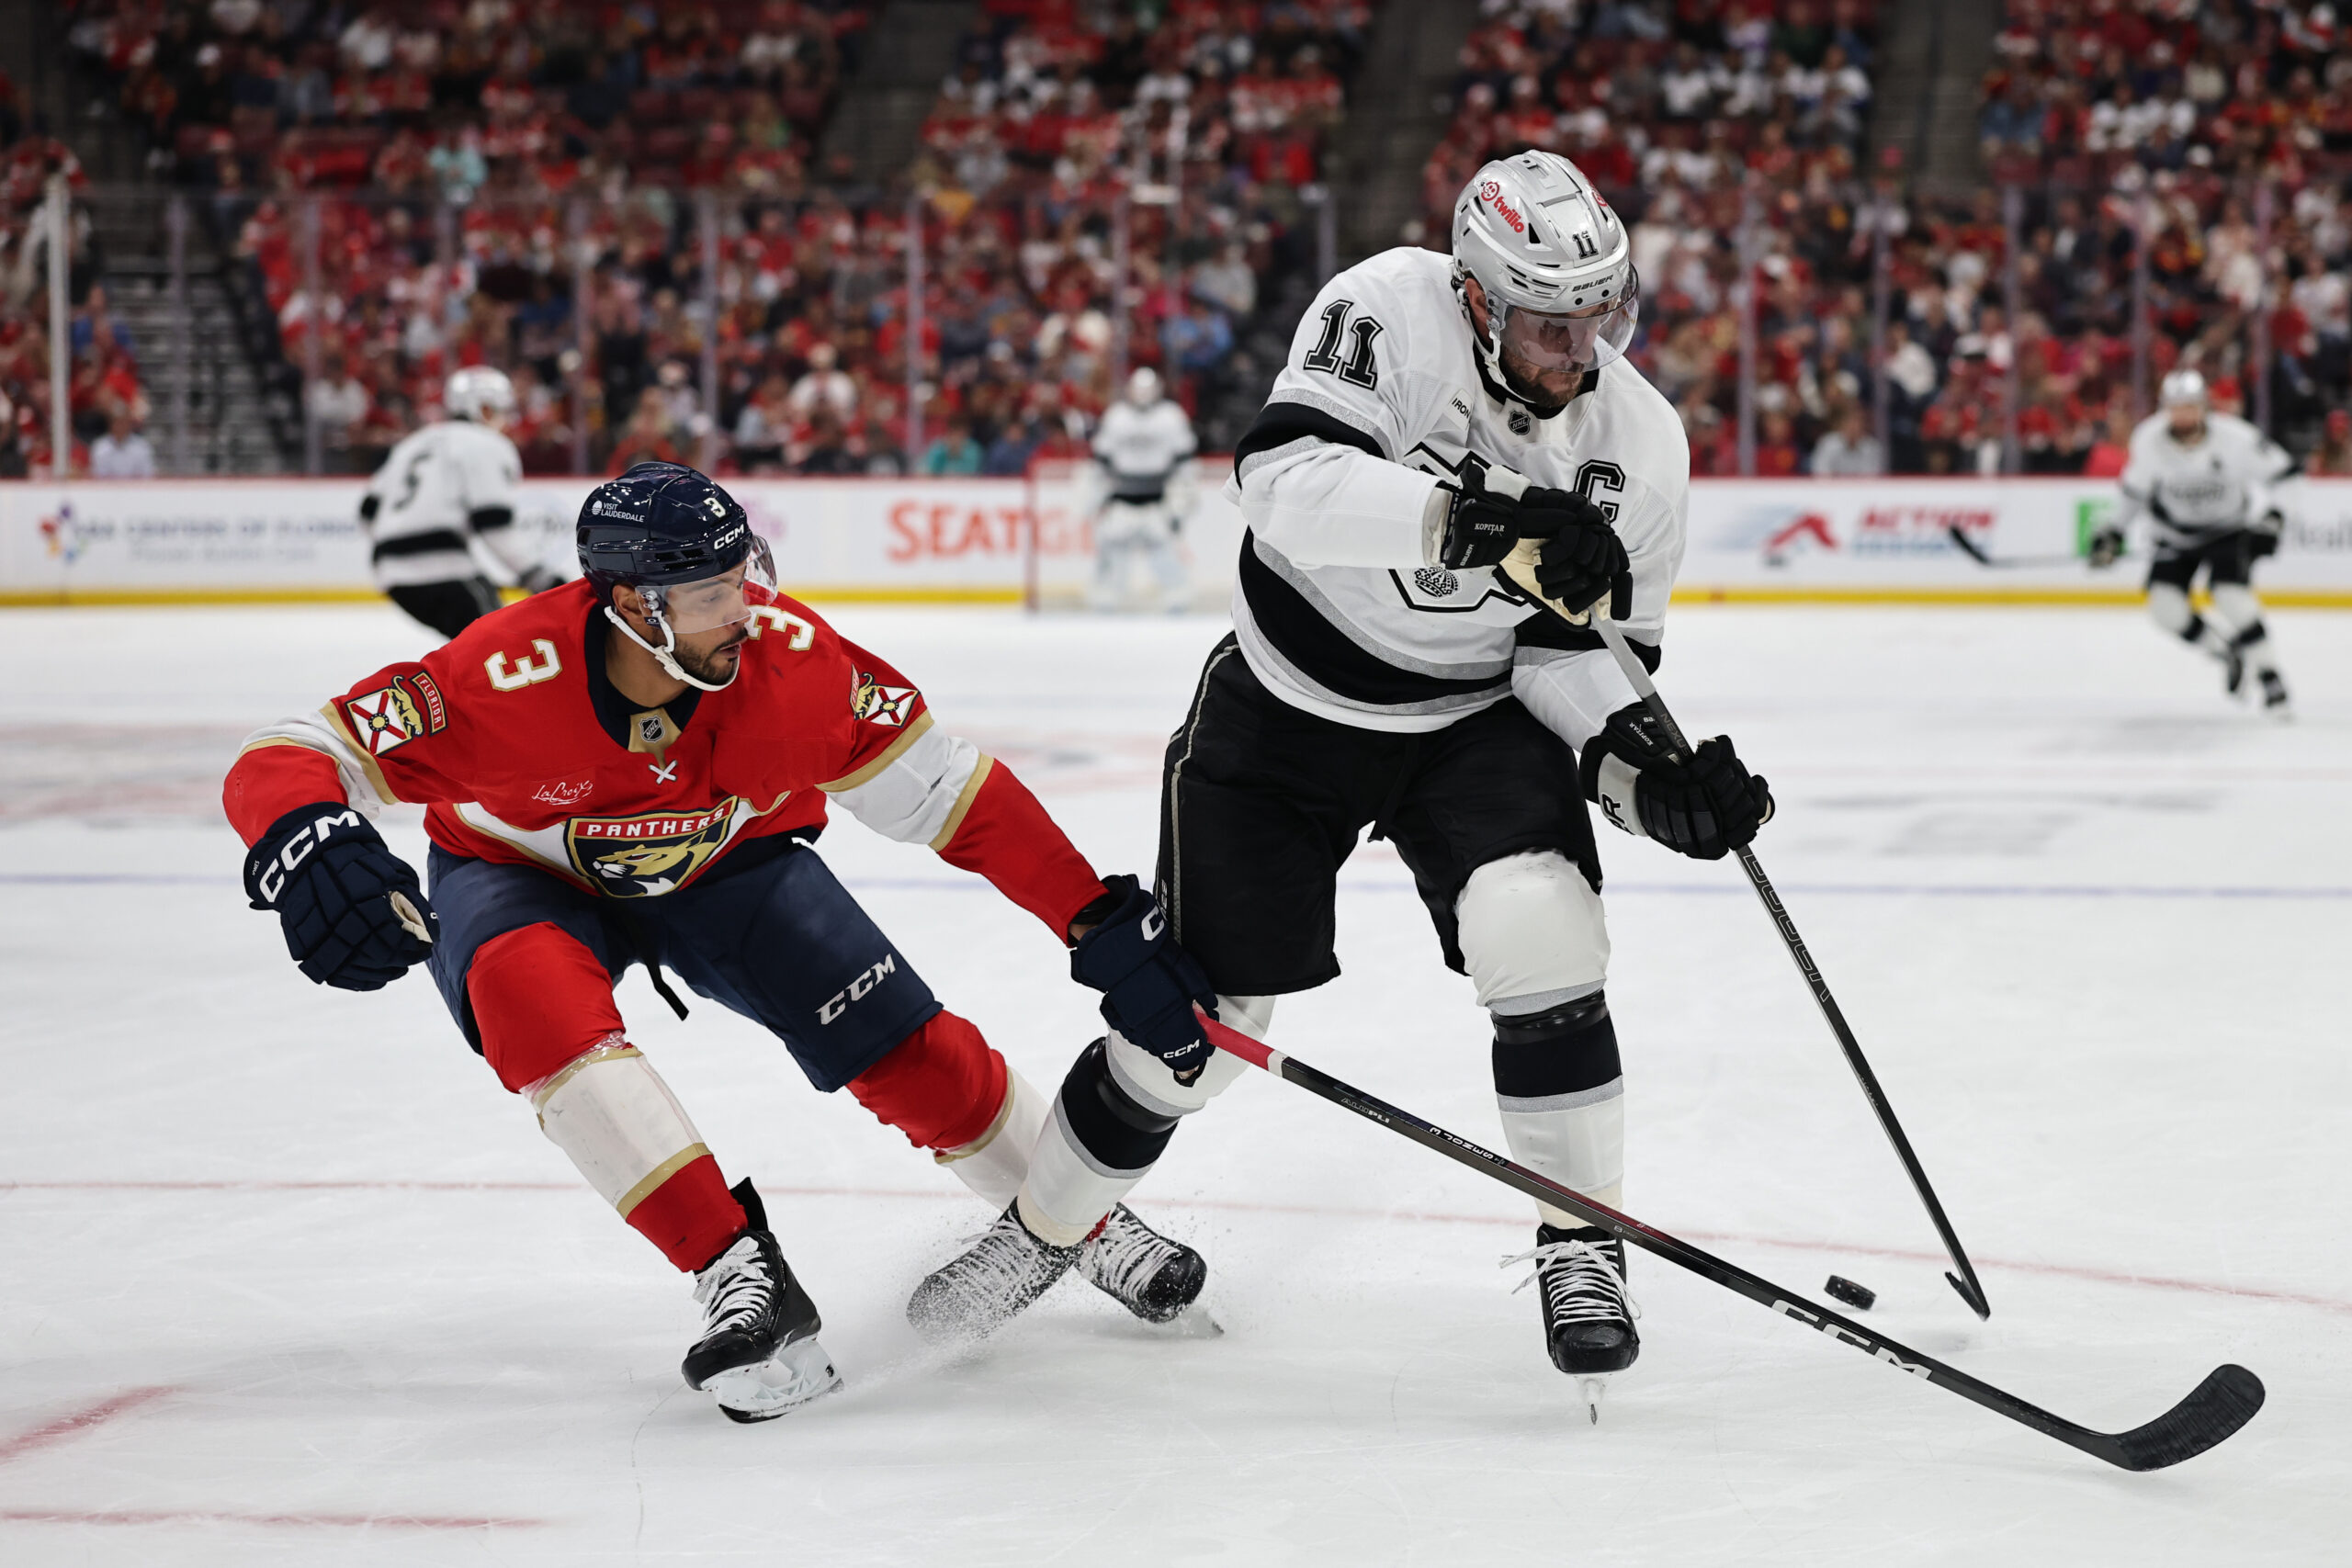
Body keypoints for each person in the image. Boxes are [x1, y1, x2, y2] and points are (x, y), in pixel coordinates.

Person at [911, 152, 1774, 1415]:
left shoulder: (1640, 439)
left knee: (1541, 926)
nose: (1579, 350)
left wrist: (1647, 780)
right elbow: (1283, 483)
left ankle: (1581, 1239)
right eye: (1549, 321)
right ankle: (1042, 1232)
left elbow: (1584, 656)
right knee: (1198, 1039)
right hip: (1288, 706)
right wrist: (1484, 518)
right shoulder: (1392, 307)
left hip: (1472, 717)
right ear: (1478, 299)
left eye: (1604, 315)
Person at [220, 462, 1216, 1423]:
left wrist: (1091, 918)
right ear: (623, 603)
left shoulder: (796, 664)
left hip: (730, 861)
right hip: (521, 874)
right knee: (532, 1007)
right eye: (703, 593)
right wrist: (308, 843)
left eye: (739, 578)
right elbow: (296, 752)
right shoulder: (499, 674)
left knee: (899, 1043)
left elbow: (955, 796)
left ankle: (1080, 1217)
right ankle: (736, 1270)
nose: (737, 610)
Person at [2090, 369, 2297, 716]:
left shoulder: (2236, 438)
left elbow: (2288, 477)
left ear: (2204, 407)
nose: (2182, 415)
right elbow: (2133, 494)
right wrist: (2113, 532)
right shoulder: (2148, 439)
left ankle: (2269, 674)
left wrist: (2273, 519)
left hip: (2227, 530)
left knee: (2232, 597)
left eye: (2189, 407)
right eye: (2175, 407)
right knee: (2165, 609)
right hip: (2175, 534)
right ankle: (2225, 651)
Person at [359, 368, 560, 638]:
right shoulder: (486, 444)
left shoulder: (412, 444)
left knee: (476, 653)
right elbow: (494, 527)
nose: (507, 421)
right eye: (501, 411)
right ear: (484, 409)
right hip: (443, 570)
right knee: (503, 652)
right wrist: (542, 579)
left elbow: (367, 512)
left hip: (390, 576)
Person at [1087, 367, 1198, 612]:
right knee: (1113, 551)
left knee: (1165, 552)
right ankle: (1106, 598)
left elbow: (1184, 464)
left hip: (1157, 500)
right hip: (1121, 499)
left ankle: (1177, 598)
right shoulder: (1116, 417)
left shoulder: (1171, 416)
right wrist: (1095, 496)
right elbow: (1101, 462)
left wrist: (1183, 500)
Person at [89, 408, 158, 478]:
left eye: (123, 422)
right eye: (117, 422)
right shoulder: (100, 447)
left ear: (129, 424)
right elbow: (98, 476)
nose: (120, 426)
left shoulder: (142, 446)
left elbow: (147, 474)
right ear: (110, 424)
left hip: (137, 487)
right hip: (107, 488)